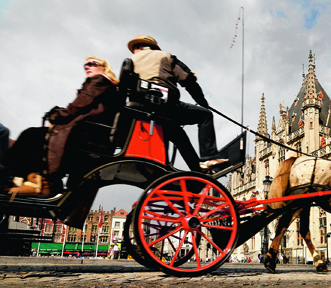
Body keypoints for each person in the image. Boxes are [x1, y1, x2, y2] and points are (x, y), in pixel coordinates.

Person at [3, 56, 119, 195]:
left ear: (104, 68)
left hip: (85, 132)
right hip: (88, 130)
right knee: (34, 137)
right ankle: (38, 180)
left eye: (92, 63)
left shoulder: (100, 81)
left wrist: (57, 115)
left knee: (29, 135)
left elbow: (78, 105)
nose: (87, 66)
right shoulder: (103, 84)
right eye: (85, 65)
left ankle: (23, 179)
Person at [126, 35, 227, 172]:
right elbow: (189, 80)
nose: (134, 51)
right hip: (165, 106)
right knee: (205, 115)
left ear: (139, 46)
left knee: (179, 136)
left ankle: (197, 168)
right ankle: (209, 157)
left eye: (135, 48)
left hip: (141, 110)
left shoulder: (130, 62)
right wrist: (202, 102)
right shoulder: (164, 56)